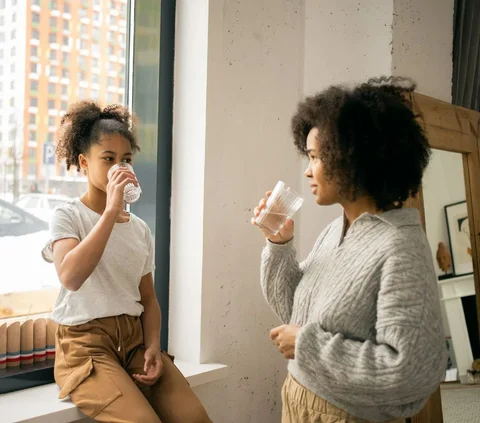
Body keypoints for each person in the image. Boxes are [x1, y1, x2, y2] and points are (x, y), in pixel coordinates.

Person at [252, 77, 447, 423]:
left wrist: (308, 347)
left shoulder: (399, 247)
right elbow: (294, 313)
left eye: (315, 157)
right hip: (298, 403)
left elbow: (412, 373)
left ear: (355, 159)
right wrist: (278, 245)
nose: (309, 172)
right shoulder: (336, 231)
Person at [42, 101, 211, 423]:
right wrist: (110, 212)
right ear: (83, 162)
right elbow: (71, 277)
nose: (120, 168)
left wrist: (152, 347)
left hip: (134, 343)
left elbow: (147, 298)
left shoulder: (139, 229)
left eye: (127, 160)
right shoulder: (68, 215)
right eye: (108, 159)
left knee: (195, 418)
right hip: (87, 347)